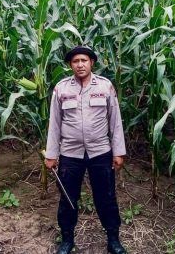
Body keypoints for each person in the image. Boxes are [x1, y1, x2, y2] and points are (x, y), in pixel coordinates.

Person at [44, 46, 127, 254]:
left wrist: (118, 151)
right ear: (70, 65)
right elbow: (54, 123)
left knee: (106, 197)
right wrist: (51, 154)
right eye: (75, 61)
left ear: (92, 63)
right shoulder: (61, 89)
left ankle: (113, 240)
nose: (80, 65)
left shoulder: (105, 86)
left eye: (84, 60)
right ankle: (67, 240)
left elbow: (115, 120)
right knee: (67, 198)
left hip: (100, 152)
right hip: (70, 153)